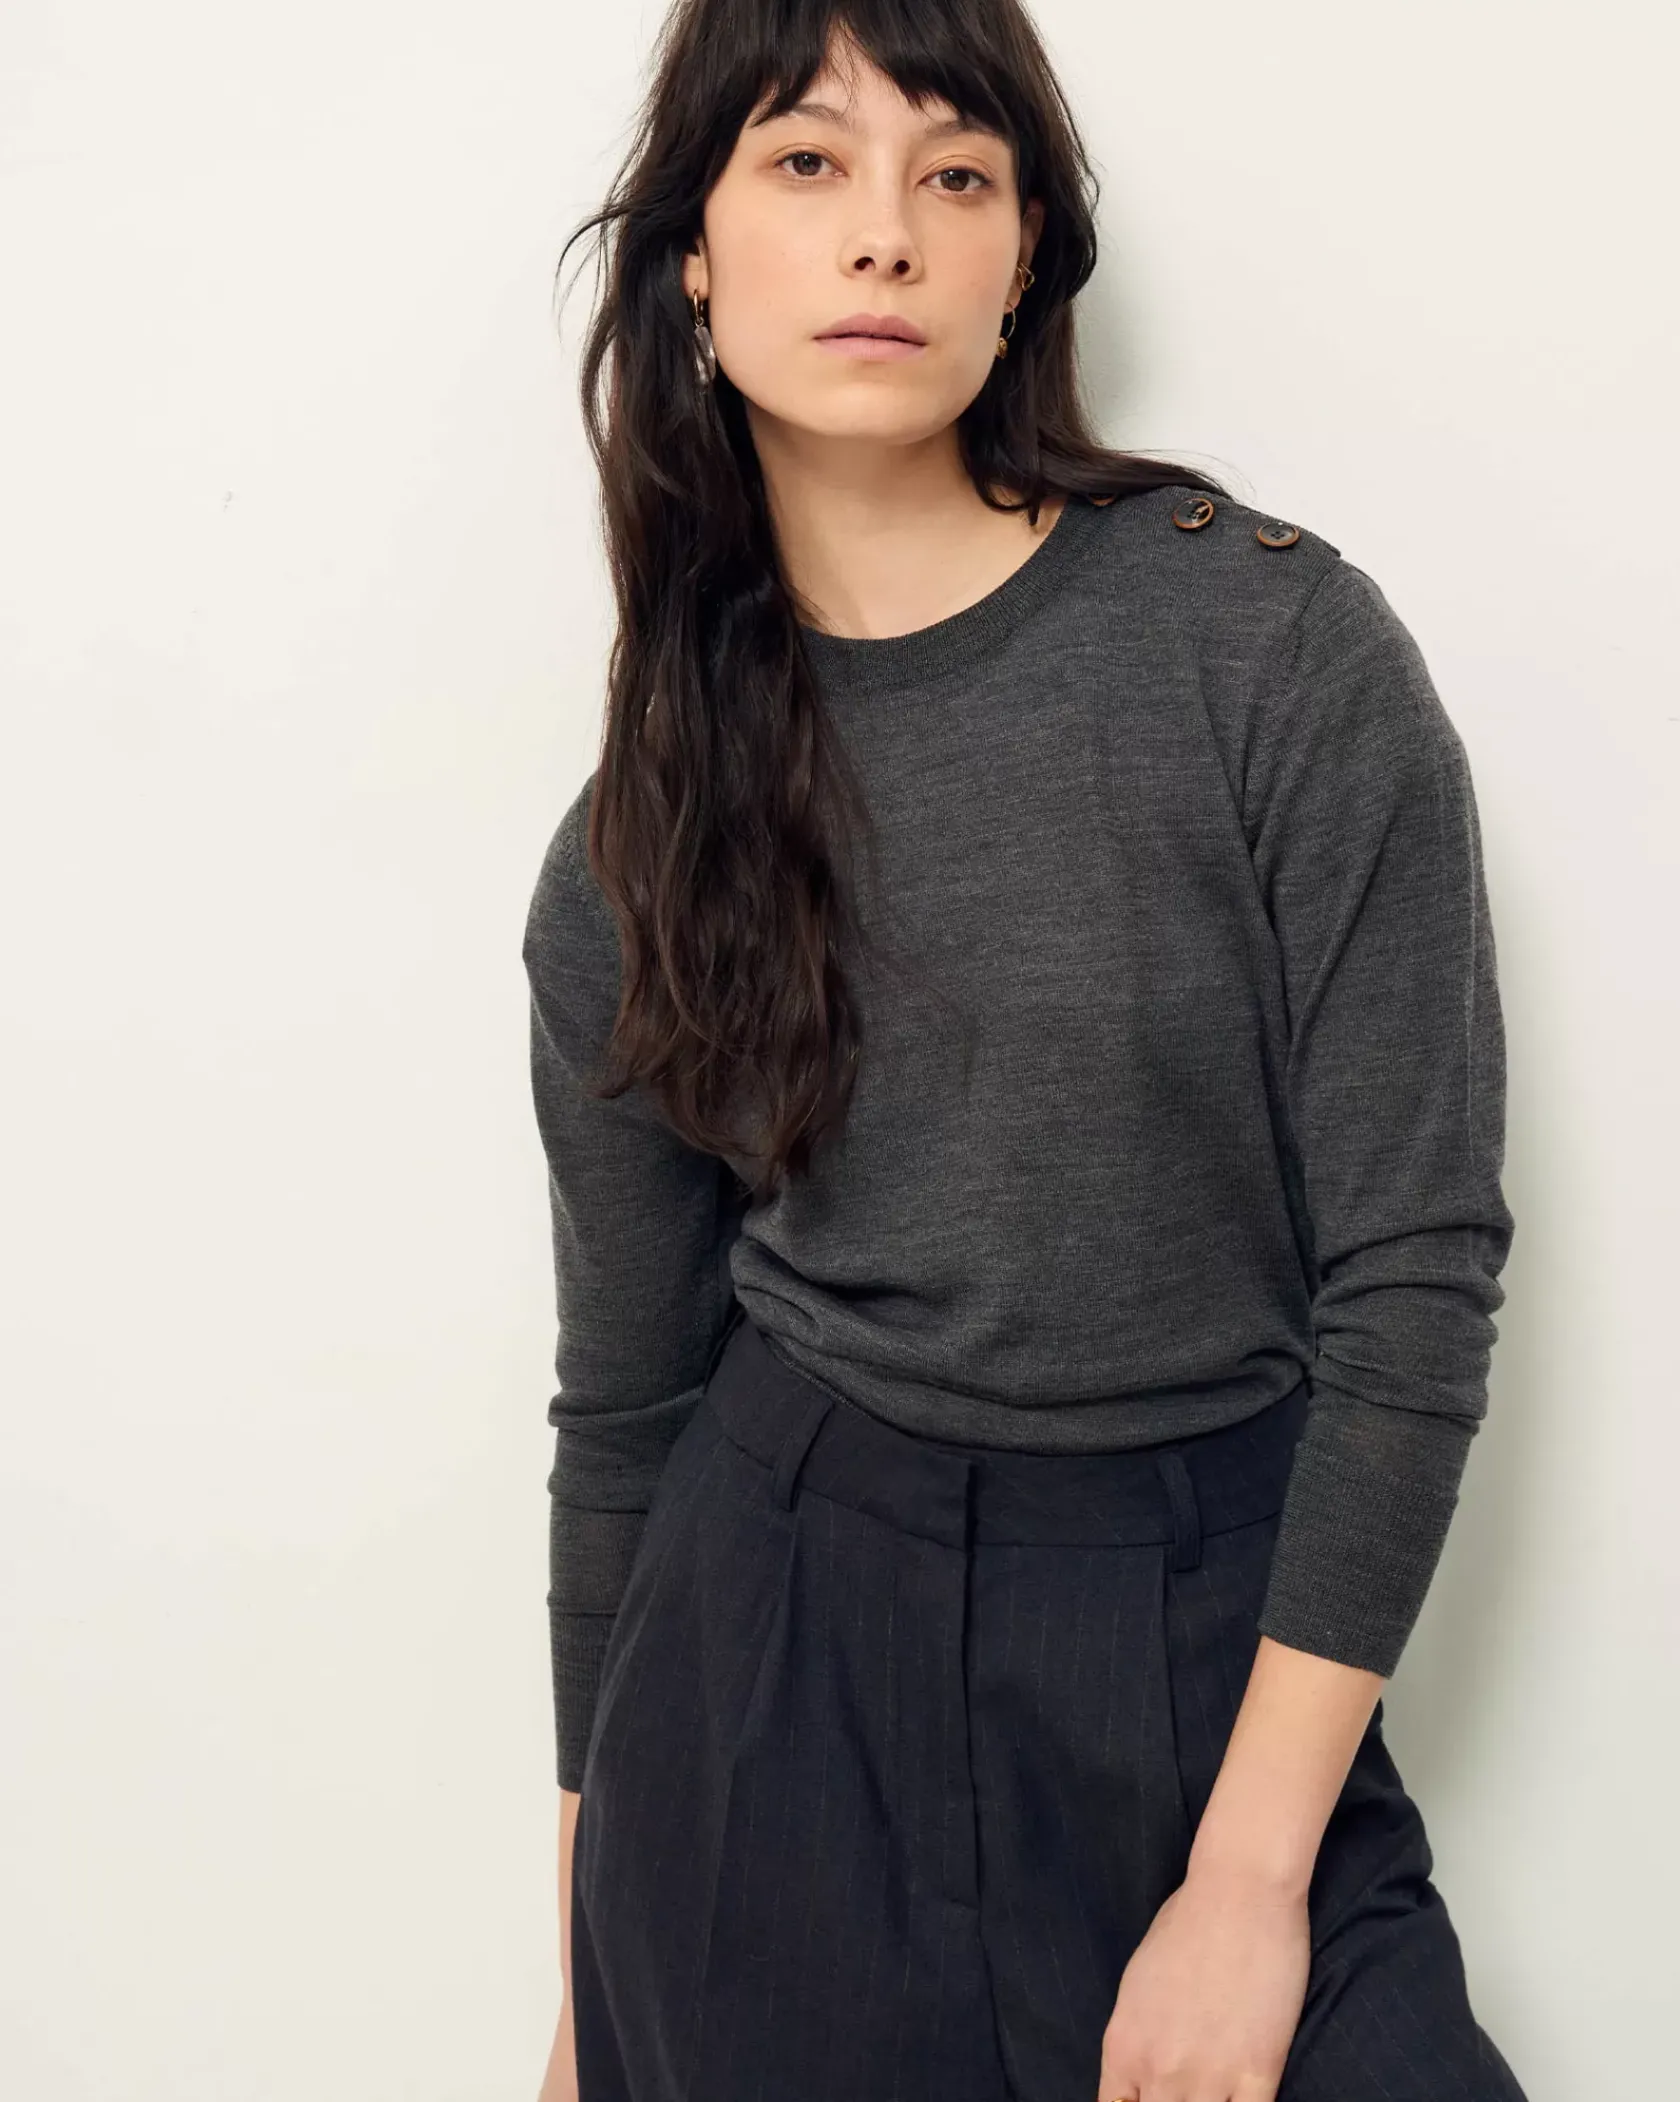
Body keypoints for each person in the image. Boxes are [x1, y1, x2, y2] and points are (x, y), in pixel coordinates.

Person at [523, 5, 1528, 2099]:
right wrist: (589, 1989)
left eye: (956, 173)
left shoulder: (1271, 656)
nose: (884, 230)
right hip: (778, 1675)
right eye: (808, 161)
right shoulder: (637, 843)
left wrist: (1252, 1879)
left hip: (1213, 1646)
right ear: (695, 259)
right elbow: (625, 1414)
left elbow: (1414, 1285)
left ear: (1024, 262)